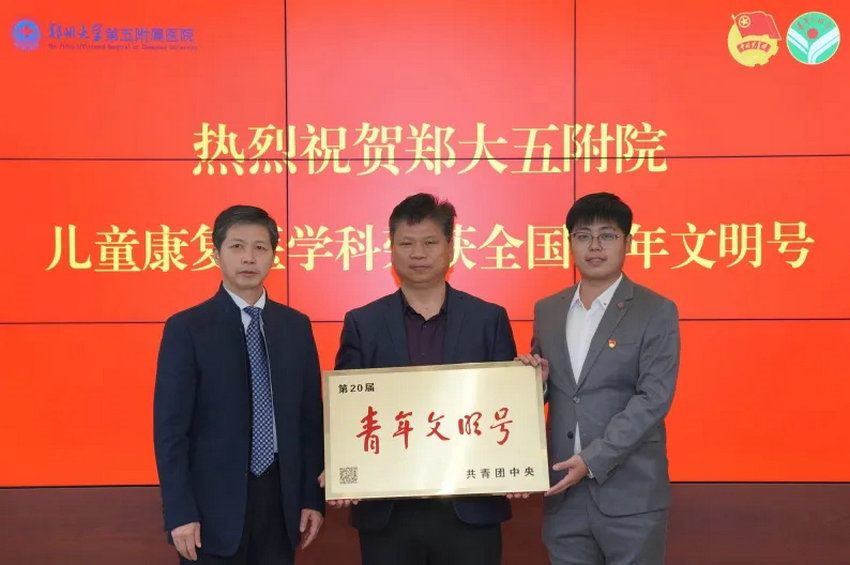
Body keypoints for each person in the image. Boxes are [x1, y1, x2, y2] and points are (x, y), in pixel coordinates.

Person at [333, 193, 517, 565]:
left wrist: (534, 385)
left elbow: (508, 405)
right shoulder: (362, 323)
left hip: (470, 507)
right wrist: (342, 468)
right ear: (391, 248)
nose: (418, 253)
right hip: (388, 511)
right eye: (406, 243)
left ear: (450, 247)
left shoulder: (489, 319)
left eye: (430, 243)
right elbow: (347, 410)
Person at [154, 205, 324, 564]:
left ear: (273, 255)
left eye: (260, 247)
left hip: (281, 503)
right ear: (216, 254)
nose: (249, 257)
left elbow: (310, 421)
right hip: (210, 511)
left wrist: (312, 498)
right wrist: (180, 511)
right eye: (237, 246)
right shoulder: (187, 328)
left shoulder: (295, 327)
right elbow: (170, 431)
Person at [520, 192, 680, 564]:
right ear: (570, 243)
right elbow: (555, 393)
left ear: (628, 242)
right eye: (583, 236)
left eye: (607, 235)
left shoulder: (655, 310)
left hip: (631, 494)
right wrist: (536, 384)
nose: (594, 246)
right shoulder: (548, 310)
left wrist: (592, 459)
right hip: (563, 491)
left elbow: (653, 398)